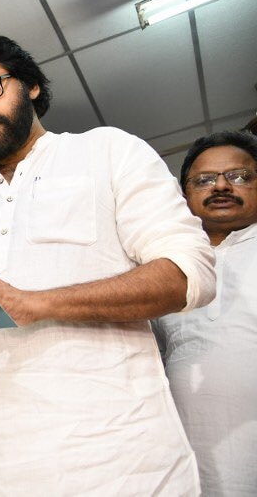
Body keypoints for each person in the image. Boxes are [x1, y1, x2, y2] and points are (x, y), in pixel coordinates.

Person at [0, 30, 216, 495]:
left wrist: (31, 302)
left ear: (32, 85)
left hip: (110, 458)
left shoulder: (108, 151)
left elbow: (188, 275)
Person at [152, 131, 257, 496]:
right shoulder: (165, 268)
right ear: (185, 196)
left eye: (239, 176)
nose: (222, 186)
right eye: (205, 180)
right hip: (187, 464)